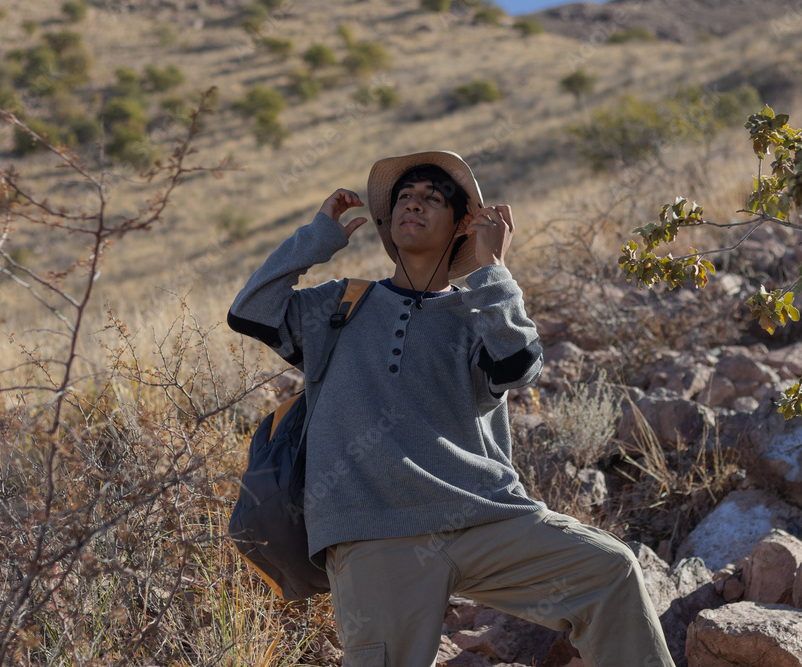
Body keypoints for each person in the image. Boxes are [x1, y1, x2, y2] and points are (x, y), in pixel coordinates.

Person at [228, 151, 673, 666]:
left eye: (431, 199)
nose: (412, 205)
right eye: (404, 198)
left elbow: (519, 365)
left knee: (610, 571)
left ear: (462, 224)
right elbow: (250, 311)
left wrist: (493, 268)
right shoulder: (339, 306)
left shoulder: (477, 310)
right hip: (373, 532)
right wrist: (316, 238)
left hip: (483, 517)